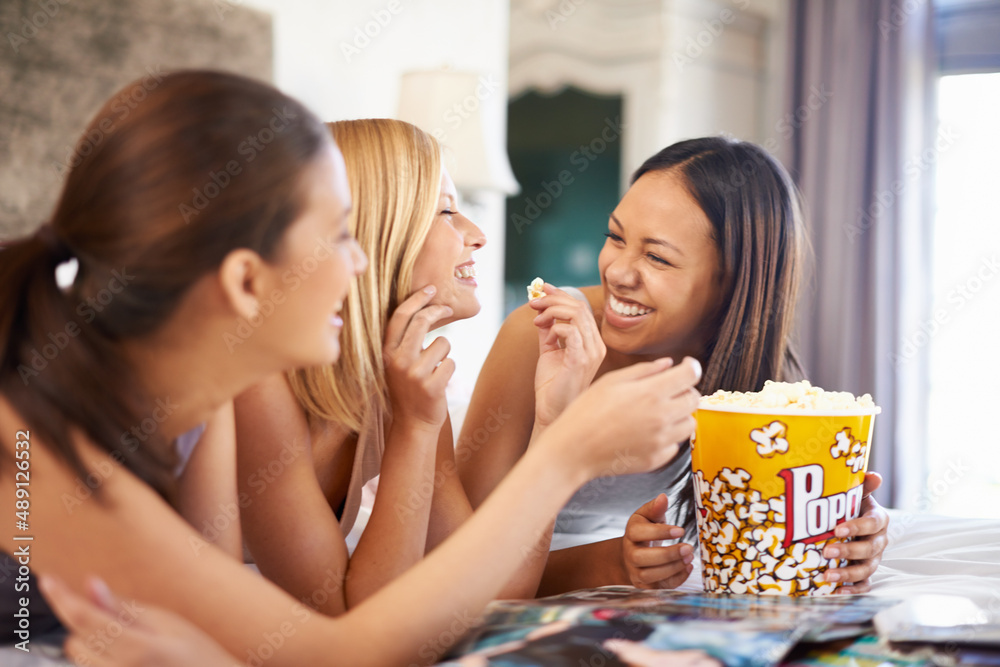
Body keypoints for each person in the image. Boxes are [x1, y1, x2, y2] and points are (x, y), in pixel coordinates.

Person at [2, 70, 702, 666]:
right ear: (247, 281)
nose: (359, 260)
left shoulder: (203, 403)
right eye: (340, 235)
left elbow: (226, 635)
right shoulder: (35, 444)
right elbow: (339, 651)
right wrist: (567, 452)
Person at [457, 136, 890, 595]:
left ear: (732, 283)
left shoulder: (758, 378)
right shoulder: (542, 334)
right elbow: (457, 559)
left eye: (657, 257)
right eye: (615, 237)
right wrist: (605, 563)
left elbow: (785, 519)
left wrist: (854, 534)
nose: (619, 272)